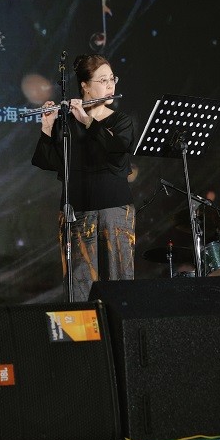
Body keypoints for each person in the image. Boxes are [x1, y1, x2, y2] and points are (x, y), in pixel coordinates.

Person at [32, 54, 135, 301]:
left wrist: (87, 121)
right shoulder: (66, 124)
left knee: (120, 284)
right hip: (76, 211)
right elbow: (47, 161)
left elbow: (117, 149)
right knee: (80, 285)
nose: (110, 85)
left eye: (112, 79)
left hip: (115, 210)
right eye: (103, 80)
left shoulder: (120, 121)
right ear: (85, 86)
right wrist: (47, 127)